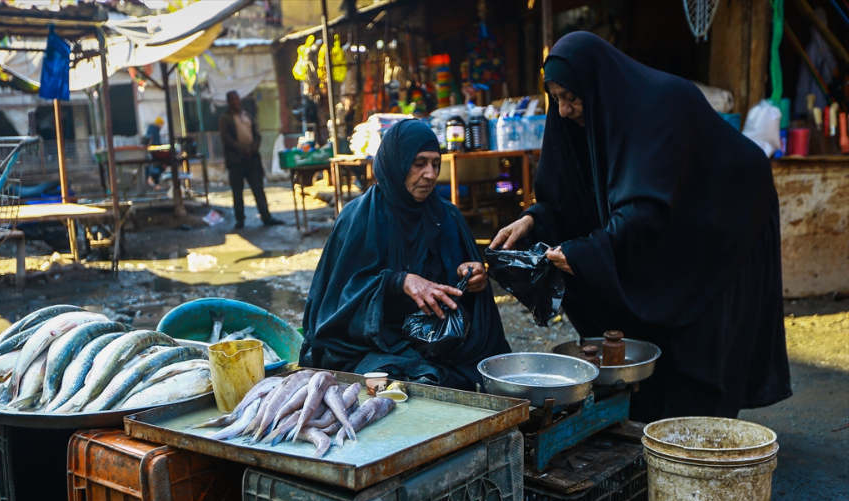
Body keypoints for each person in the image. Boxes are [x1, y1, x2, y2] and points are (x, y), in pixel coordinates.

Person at [490, 32, 791, 422]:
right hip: (670, 218)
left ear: (594, 87)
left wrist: (583, 253)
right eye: (556, 99)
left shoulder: (659, 106)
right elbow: (568, 193)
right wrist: (533, 219)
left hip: (725, 212)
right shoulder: (582, 119)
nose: (563, 110)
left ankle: (701, 431)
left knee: (700, 329)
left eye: (571, 97)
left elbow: (645, 213)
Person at [301, 119, 510, 390]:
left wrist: (471, 278)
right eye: (419, 163)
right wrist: (398, 282)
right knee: (390, 382)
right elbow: (334, 306)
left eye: (435, 164)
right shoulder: (358, 219)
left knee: (475, 374)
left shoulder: (447, 217)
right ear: (396, 163)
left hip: (439, 341)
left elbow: (463, 297)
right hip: (374, 345)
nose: (430, 174)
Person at [219, 90, 281, 228]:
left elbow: (256, 135)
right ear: (228, 102)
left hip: (252, 159)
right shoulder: (225, 118)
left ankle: (266, 216)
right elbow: (226, 138)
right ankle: (240, 219)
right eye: (233, 100)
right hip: (236, 160)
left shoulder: (246, 115)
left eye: (237, 99)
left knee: (258, 189)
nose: (236, 102)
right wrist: (242, 149)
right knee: (237, 191)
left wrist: (252, 149)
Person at [142, 117, 165, 189]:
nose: (162, 126)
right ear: (159, 123)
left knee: (157, 167)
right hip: (154, 152)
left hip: (155, 151)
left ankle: (155, 184)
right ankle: (155, 184)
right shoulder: (153, 130)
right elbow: (153, 141)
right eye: (161, 124)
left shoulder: (154, 130)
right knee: (156, 168)